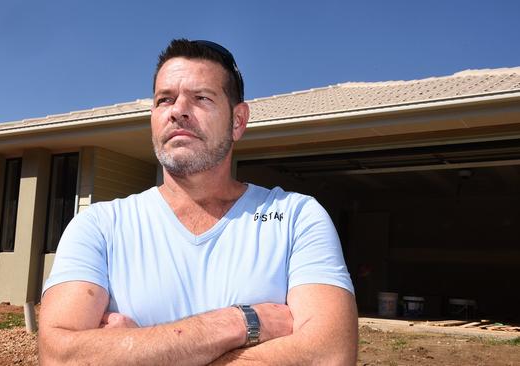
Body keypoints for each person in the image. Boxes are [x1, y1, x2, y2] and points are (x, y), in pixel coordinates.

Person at [39, 39, 358, 365]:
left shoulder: (295, 218)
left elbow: (329, 356)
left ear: (237, 122)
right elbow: (60, 357)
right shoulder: (99, 226)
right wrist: (240, 323)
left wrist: (138, 351)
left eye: (201, 98)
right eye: (165, 100)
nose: (178, 111)